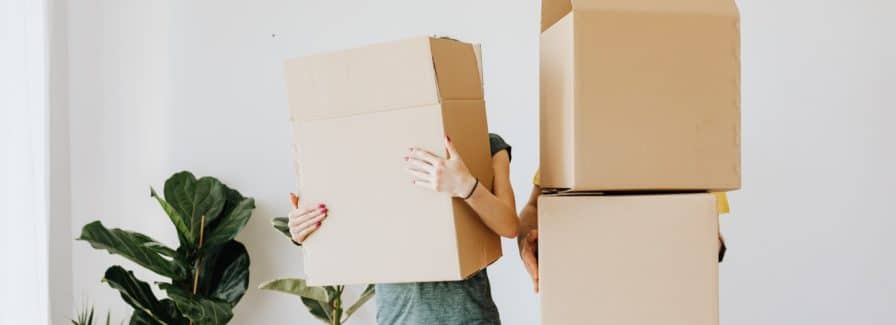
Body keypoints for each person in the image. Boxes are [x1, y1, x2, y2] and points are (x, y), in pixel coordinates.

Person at [287, 134, 518, 325]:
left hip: (468, 318)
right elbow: (346, 222)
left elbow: (509, 226)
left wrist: (464, 186)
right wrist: (305, 229)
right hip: (397, 318)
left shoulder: (485, 144)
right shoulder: (365, 149)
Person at [517, 171, 731, 292]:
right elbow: (535, 206)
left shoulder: (692, 143)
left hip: (663, 293)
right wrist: (524, 244)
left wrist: (710, 245)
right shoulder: (576, 129)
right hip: (585, 290)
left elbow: (709, 228)